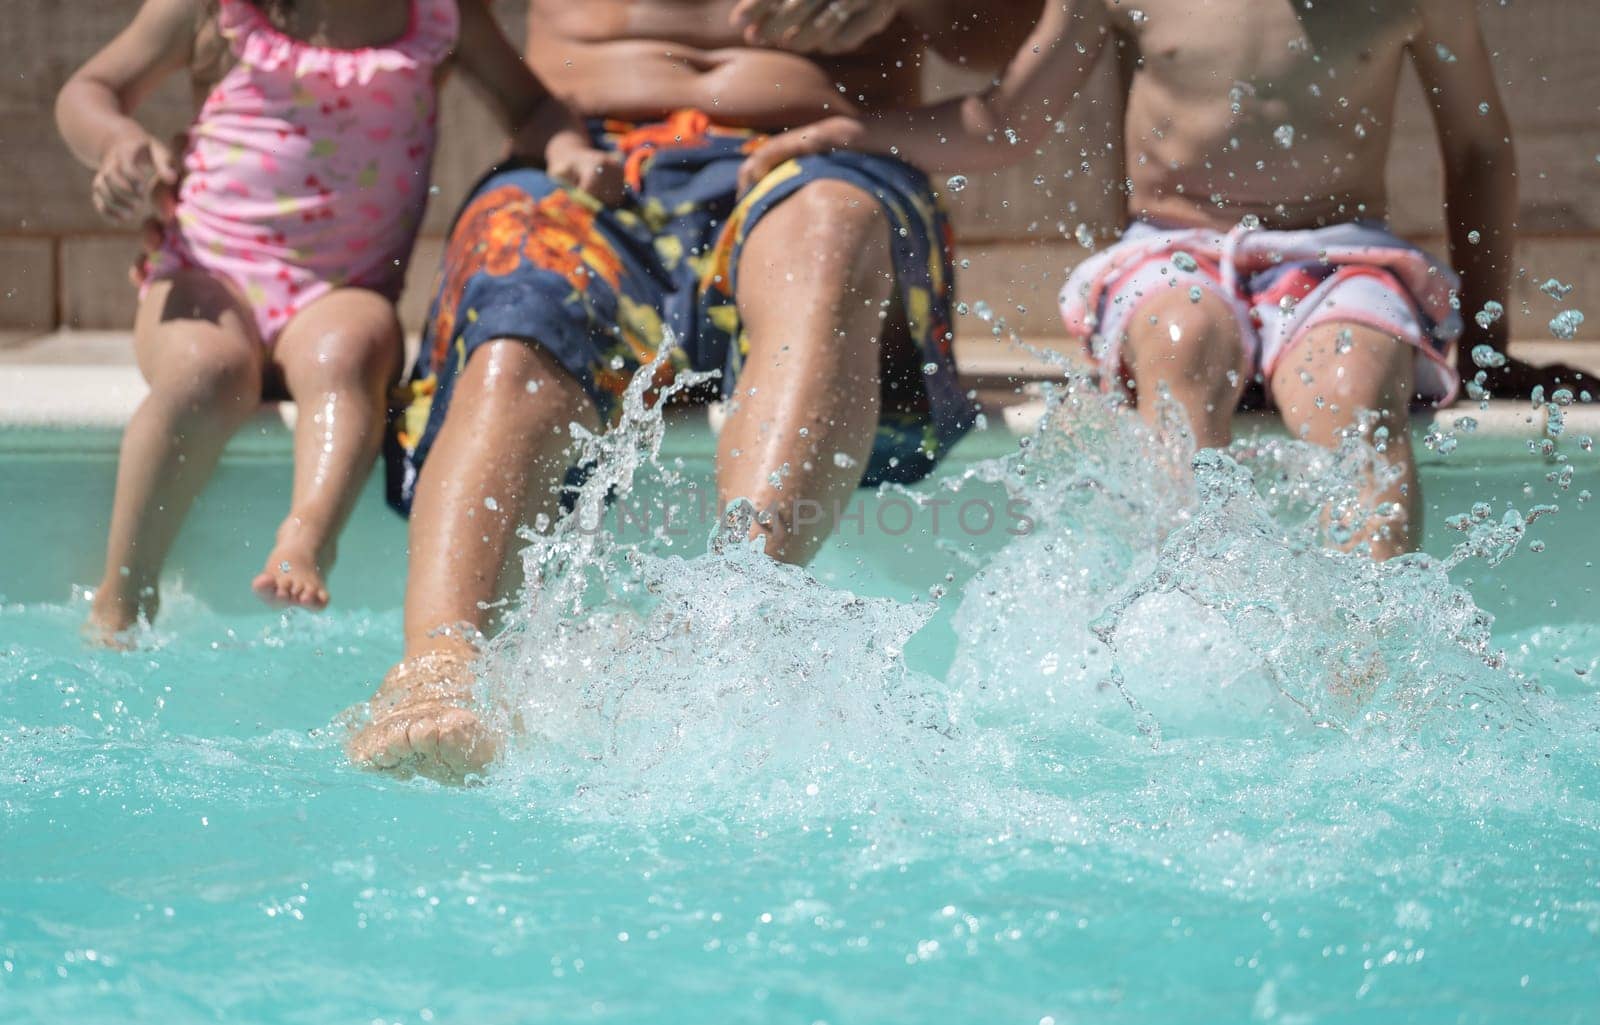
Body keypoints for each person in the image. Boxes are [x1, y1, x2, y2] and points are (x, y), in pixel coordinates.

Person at [344, 0, 1032, 782]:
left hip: (820, 152)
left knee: (831, 231)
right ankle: (440, 663)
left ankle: (724, 626)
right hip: (588, 156)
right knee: (518, 306)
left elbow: (1002, 44)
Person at [742, 0, 1590, 561]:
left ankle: (1369, 671)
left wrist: (1486, 340)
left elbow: (1480, 146)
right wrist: (853, 134)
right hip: (1173, 252)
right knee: (1185, 344)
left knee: (1354, 387)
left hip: (1339, 261)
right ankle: (1192, 625)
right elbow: (1003, 123)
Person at [57, 0, 618, 642]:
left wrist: (567, 148)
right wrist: (116, 141)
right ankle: (123, 591)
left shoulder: (438, 14)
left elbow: (532, 106)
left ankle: (307, 536)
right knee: (204, 370)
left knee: (351, 353)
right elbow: (90, 89)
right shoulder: (214, 8)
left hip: (339, 290)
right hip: (205, 271)